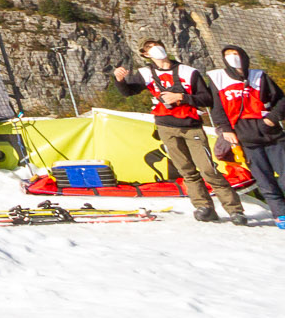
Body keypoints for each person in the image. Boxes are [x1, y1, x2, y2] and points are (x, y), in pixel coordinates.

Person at [115, 40, 251, 225]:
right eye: (150, 48)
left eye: (157, 45)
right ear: (145, 55)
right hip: (165, 126)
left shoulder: (188, 72)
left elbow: (207, 99)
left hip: (191, 125)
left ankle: (235, 210)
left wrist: (182, 97)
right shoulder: (146, 73)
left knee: (208, 169)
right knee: (186, 170)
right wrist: (120, 80)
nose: (156, 49)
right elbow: (128, 92)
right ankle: (203, 207)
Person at [205, 43, 285, 227]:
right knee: (265, 180)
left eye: (235, 53)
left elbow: (281, 100)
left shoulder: (259, 76)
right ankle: (280, 214)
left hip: (273, 135)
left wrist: (271, 119)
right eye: (228, 55)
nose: (232, 57)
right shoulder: (217, 78)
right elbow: (216, 109)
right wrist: (226, 130)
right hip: (246, 139)